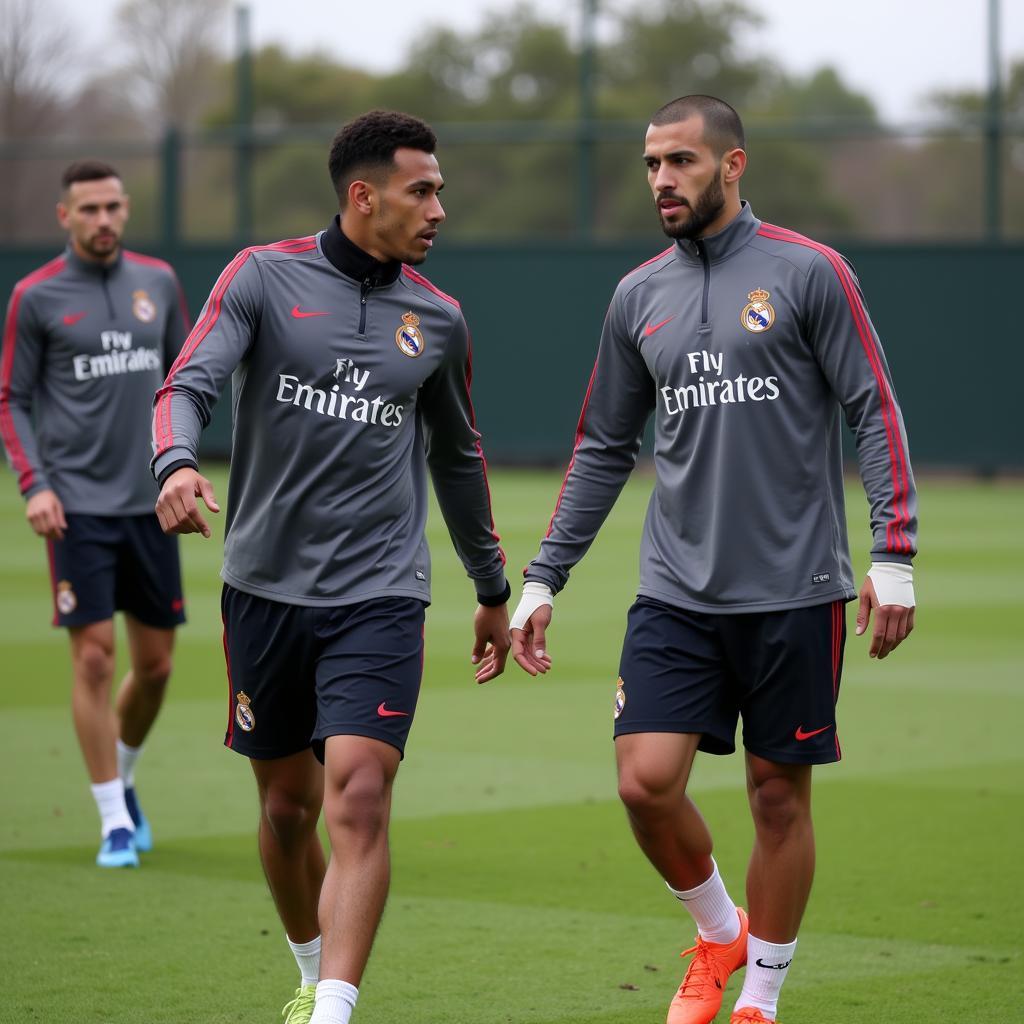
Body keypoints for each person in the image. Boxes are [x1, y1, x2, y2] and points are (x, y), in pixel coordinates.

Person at [510, 95, 917, 1024]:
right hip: (675, 590)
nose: (662, 179)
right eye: (652, 163)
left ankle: (759, 1001)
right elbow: (603, 446)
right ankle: (719, 929)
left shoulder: (810, 272)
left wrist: (892, 553)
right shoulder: (636, 295)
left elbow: (874, 410)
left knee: (778, 799)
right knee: (644, 783)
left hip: (795, 587)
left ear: (732, 166)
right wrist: (544, 577)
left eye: (682, 162)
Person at [151, 110, 510, 1024]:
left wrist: (489, 586)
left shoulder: (440, 319)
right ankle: (312, 968)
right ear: (364, 195)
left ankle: (334, 1011)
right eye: (421, 190)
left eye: (439, 189)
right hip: (264, 589)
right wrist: (177, 462)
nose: (439, 208)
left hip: (382, 594)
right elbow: (188, 383)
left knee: (358, 790)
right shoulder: (262, 277)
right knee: (286, 814)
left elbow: (458, 461)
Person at [0, 160, 189, 869]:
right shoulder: (36, 295)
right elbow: (11, 399)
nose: (104, 220)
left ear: (126, 209)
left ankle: (124, 775)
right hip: (75, 508)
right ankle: (112, 818)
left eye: (113, 207)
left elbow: (183, 382)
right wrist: (35, 485)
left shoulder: (159, 283)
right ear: (65, 216)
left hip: (151, 505)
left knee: (158, 666)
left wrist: (181, 462)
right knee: (94, 659)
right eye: (89, 210)